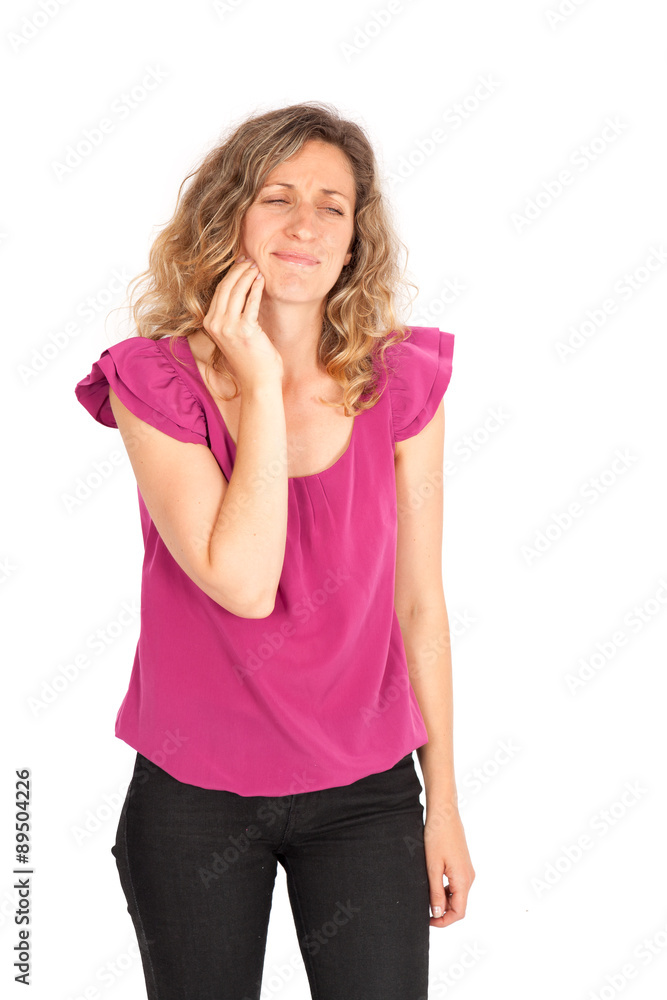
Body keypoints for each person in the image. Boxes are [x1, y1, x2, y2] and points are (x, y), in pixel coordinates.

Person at [74, 101, 474, 1000]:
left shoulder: (401, 380)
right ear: (231, 215)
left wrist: (442, 805)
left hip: (366, 792)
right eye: (277, 197)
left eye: (333, 205)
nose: (305, 224)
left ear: (355, 238)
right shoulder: (155, 381)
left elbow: (419, 604)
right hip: (194, 797)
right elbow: (244, 583)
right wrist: (258, 381)